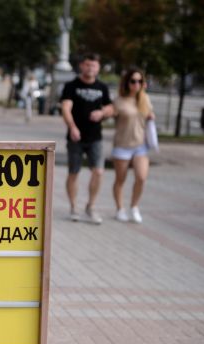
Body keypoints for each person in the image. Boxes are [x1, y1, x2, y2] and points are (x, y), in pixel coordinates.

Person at [60, 53, 113, 224]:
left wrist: (102, 113)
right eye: (88, 65)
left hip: (95, 137)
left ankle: (91, 206)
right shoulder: (71, 86)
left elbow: (110, 107)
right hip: (75, 137)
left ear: (98, 68)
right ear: (82, 66)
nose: (90, 68)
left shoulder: (102, 87)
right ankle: (73, 207)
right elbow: (66, 108)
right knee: (73, 172)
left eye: (94, 65)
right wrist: (72, 127)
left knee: (98, 171)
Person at [111, 68, 155, 224]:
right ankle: (120, 209)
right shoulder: (119, 101)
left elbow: (148, 115)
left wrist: (151, 116)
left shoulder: (145, 99)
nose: (137, 84)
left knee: (141, 177)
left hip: (140, 145)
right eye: (133, 81)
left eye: (140, 81)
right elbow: (110, 114)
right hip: (122, 145)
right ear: (127, 83)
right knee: (120, 179)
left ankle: (134, 206)